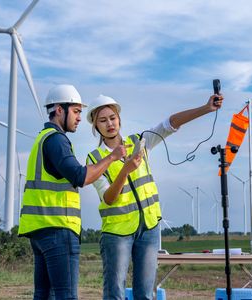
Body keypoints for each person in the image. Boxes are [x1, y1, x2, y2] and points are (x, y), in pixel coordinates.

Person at [85, 93, 223, 300]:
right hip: (117, 232)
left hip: (149, 228)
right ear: (96, 127)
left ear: (119, 119)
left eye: (112, 118)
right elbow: (109, 198)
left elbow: (170, 124)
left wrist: (205, 108)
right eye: (102, 120)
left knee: (147, 294)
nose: (110, 124)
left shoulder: (140, 142)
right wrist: (125, 171)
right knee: (115, 293)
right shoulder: (94, 159)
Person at [18, 84, 127, 300]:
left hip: (39, 230)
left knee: (43, 295)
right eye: (76, 111)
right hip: (58, 229)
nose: (79, 118)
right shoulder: (56, 140)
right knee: (66, 296)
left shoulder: (42, 139)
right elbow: (81, 176)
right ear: (60, 110)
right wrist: (112, 157)